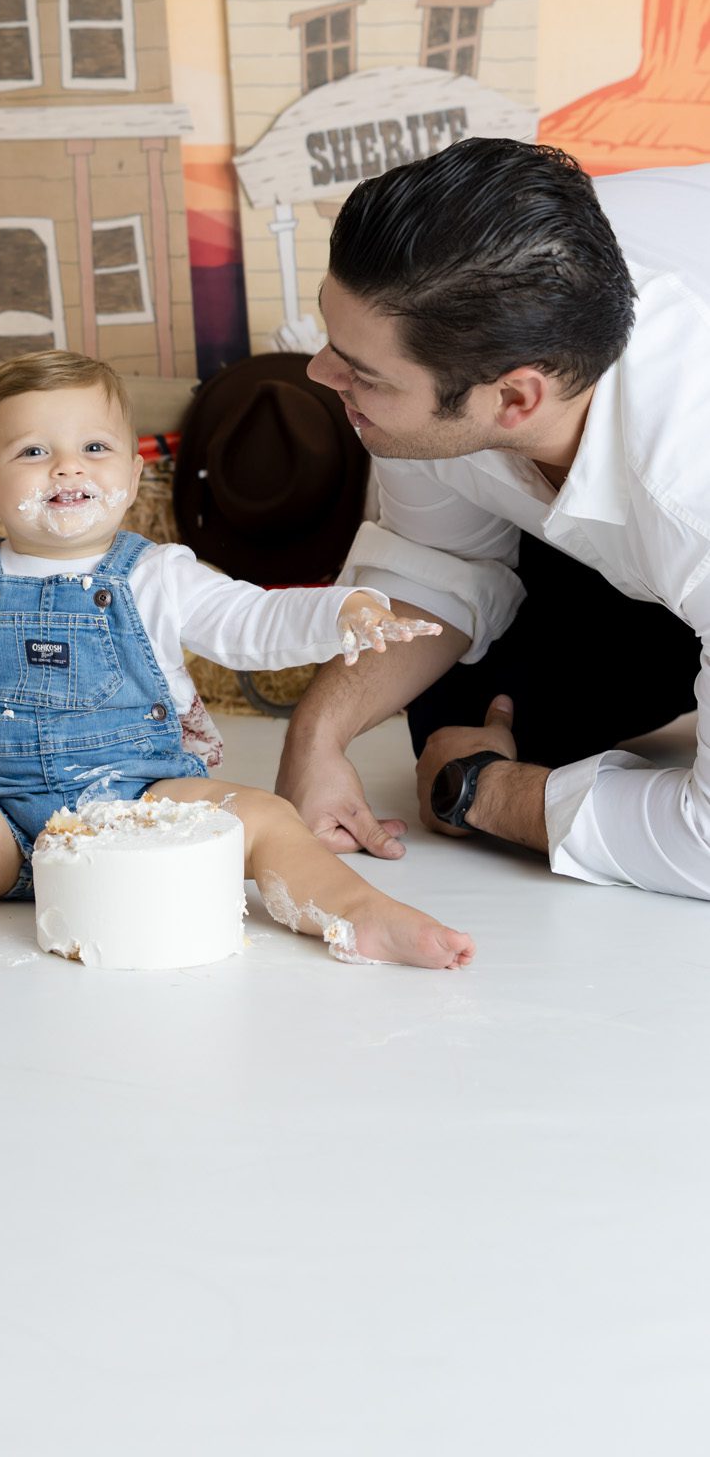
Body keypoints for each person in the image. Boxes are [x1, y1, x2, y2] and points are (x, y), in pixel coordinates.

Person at [0, 351, 474, 983]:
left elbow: (249, 621)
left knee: (266, 818)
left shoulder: (158, 574)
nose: (66, 467)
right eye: (33, 451)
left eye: (94, 448)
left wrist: (340, 612)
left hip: (142, 803)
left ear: (133, 478)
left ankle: (356, 914)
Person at [275, 137, 708, 895]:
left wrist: (487, 794)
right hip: (626, 530)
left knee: (472, 758)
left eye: (362, 374)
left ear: (515, 400)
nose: (319, 372)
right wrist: (317, 735)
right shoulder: (471, 308)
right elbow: (437, 561)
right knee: (460, 714)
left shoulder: (690, 489)